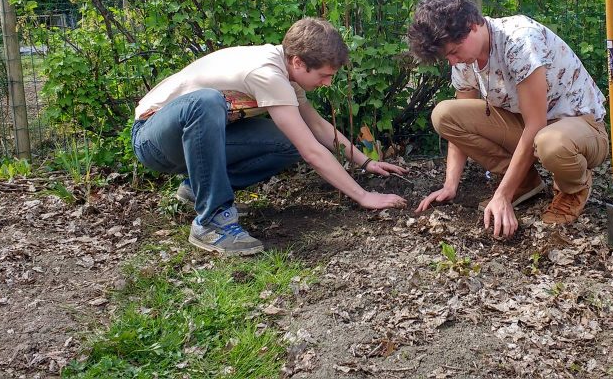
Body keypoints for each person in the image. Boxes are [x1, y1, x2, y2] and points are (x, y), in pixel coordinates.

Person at [131, 18, 408, 255]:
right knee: (205, 102)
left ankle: (198, 188)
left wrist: (365, 163)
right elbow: (312, 150)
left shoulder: (286, 73)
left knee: (287, 142)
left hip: (195, 144)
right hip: (153, 139)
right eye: (324, 75)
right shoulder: (266, 73)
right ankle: (212, 221)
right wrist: (363, 196)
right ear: (298, 61)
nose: (328, 82)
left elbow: (316, 126)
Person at [407, 0, 609, 238]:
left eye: (454, 51)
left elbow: (536, 125)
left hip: (579, 126)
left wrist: (501, 195)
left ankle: (573, 188)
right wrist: (450, 184)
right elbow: (461, 123)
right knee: (445, 114)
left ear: (472, 26)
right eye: (446, 56)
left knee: (551, 142)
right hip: (531, 127)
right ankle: (525, 183)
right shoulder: (464, 60)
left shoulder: (520, 41)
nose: (451, 61)